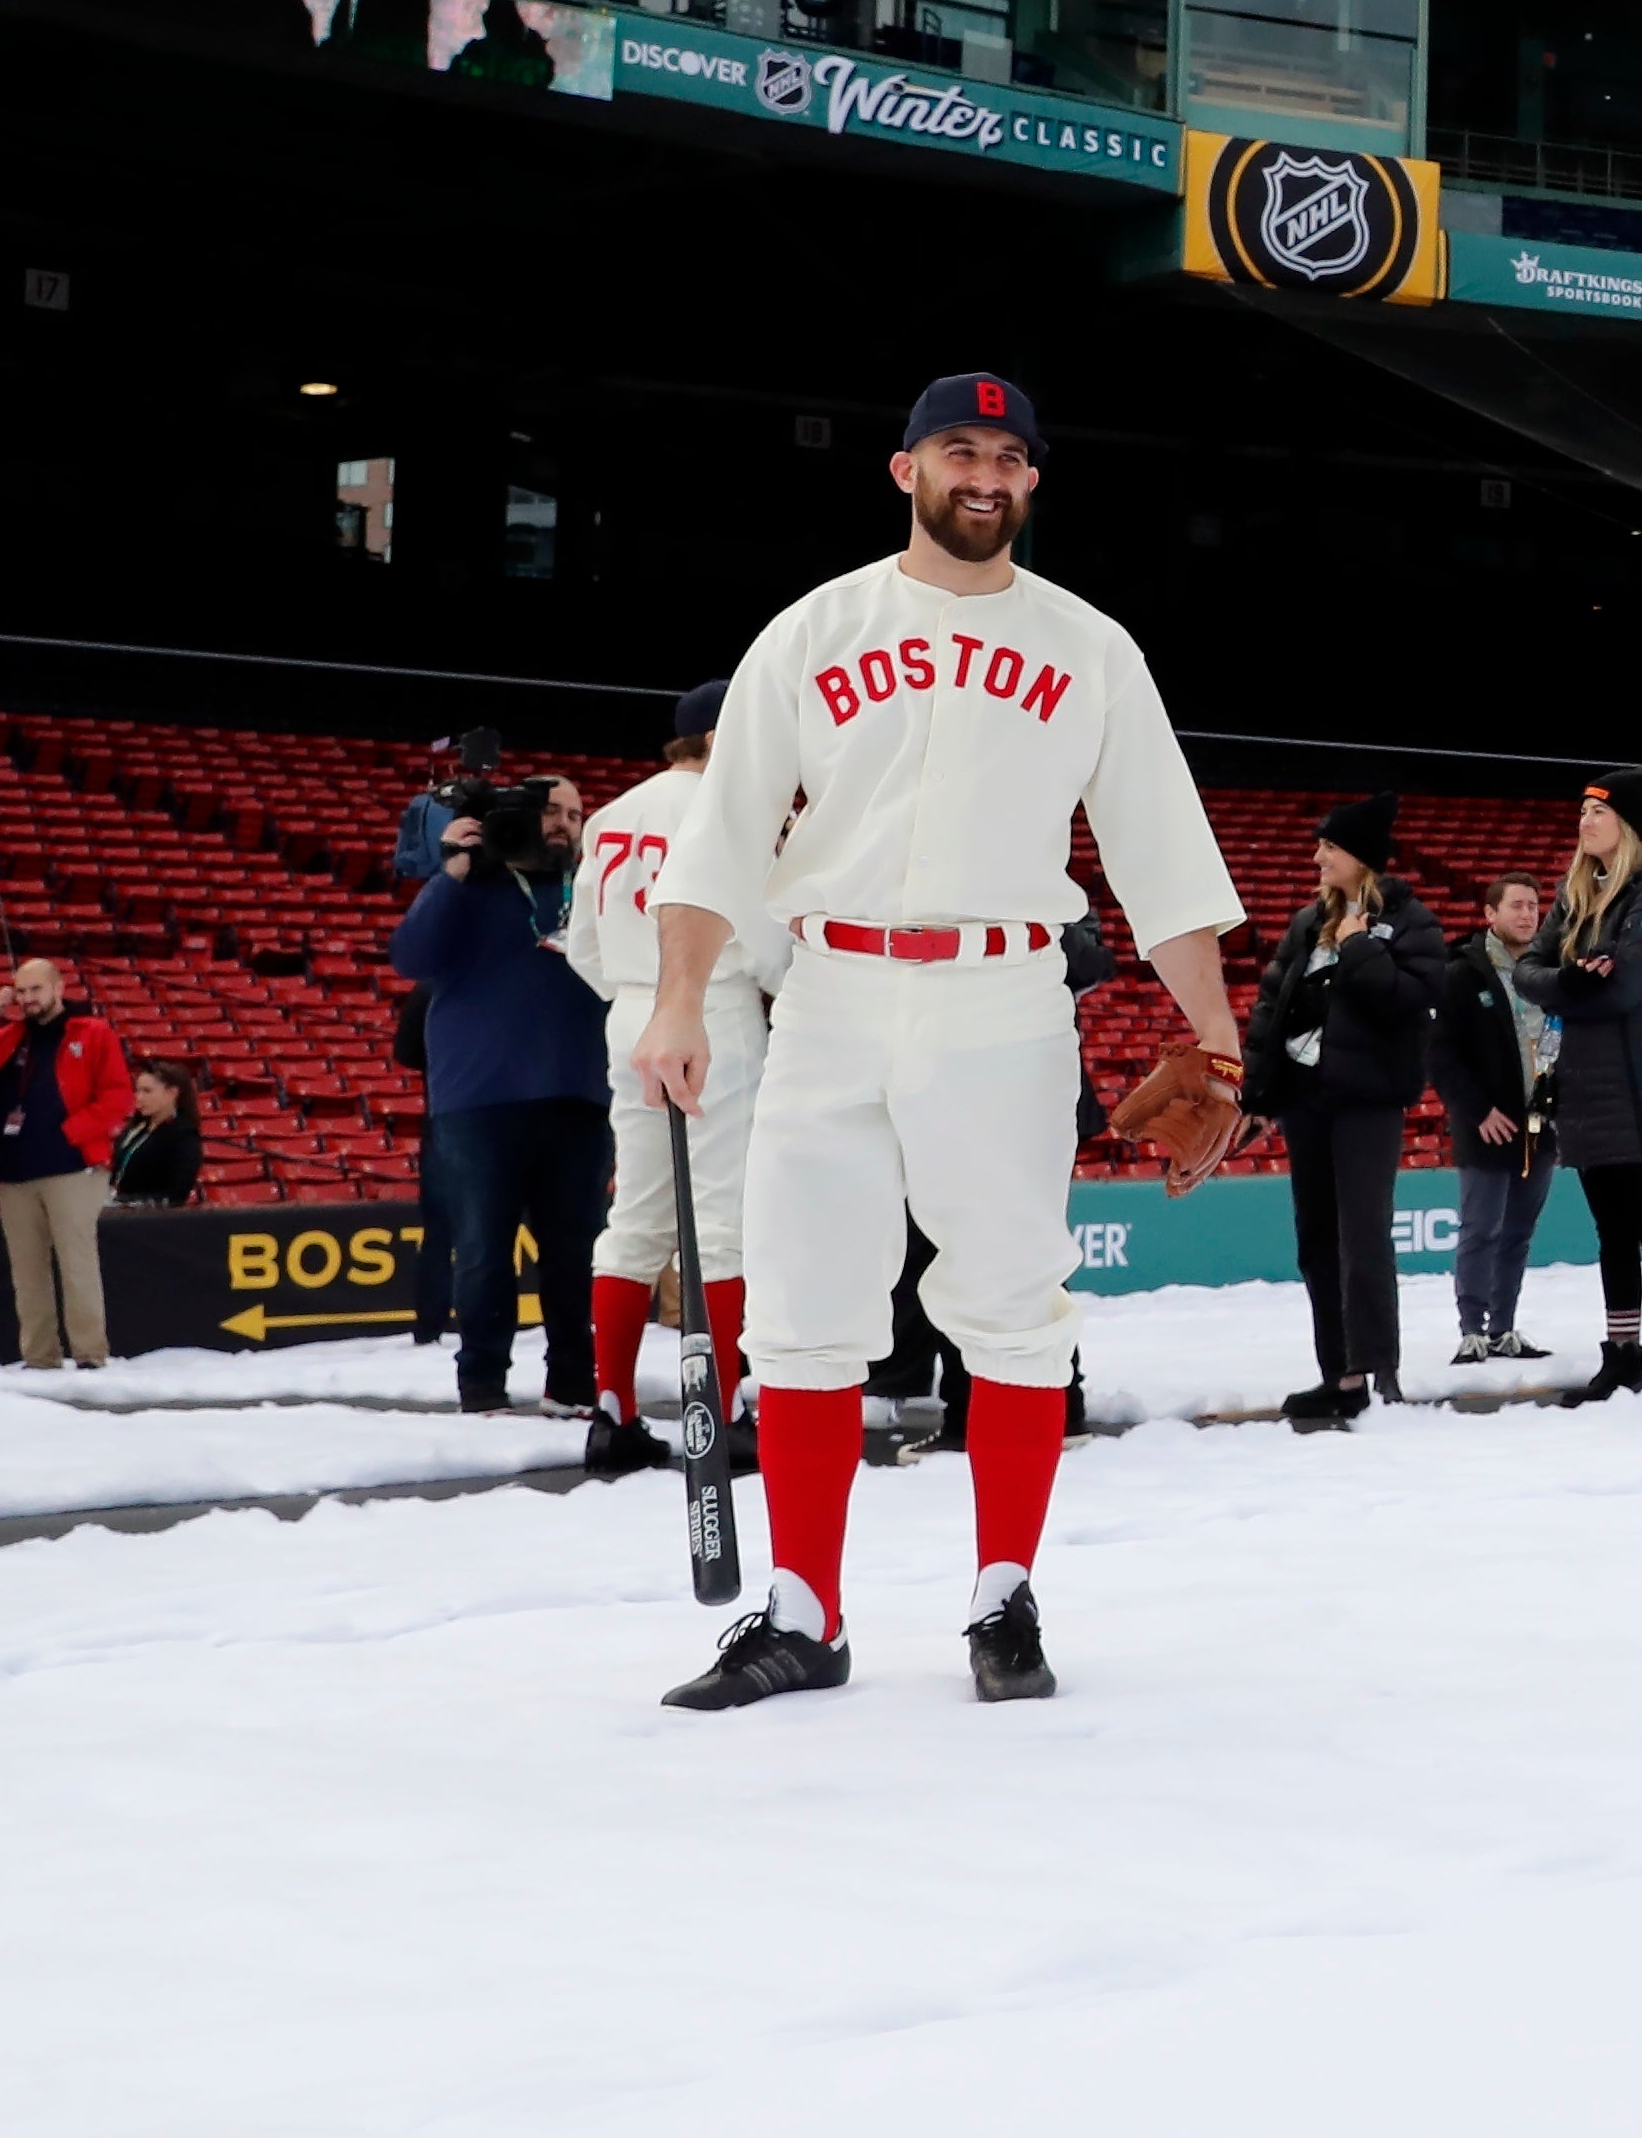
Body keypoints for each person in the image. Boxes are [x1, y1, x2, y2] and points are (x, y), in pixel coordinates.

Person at [636, 371, 1246, 1715]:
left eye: (1011, 456)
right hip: (831, 990)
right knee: (801, 1308)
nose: (986, 474)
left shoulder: (1091, 646)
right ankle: (802, 1612)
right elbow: (723, 832)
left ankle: (1004, 1595)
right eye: (959, 450)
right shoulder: (815, 629)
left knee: (1014, 1303)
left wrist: (1218, 1034)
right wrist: (679, 997)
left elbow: (1161, 852)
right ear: (904, 470)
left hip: (1003, 995)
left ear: (1033, 483)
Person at [564, 681, 770, 1475]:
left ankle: (611, 1411)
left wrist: (633, 995)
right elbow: (767, 943)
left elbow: (581, 945)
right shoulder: (728, 810)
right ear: (718, 741)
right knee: (719, 1223)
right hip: (715, 1010)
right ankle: (718, 1415)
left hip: (631, 1015)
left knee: (638, 1219)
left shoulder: (615, 813)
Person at [396, 776, 612, 1412]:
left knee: (575, 1253)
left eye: (575, 815)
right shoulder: (472, 887)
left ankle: (573, 1383)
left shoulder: (594, 889)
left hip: (579, 1093)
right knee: (485, 1251)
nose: (564, 824)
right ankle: (482, 1386)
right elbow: (409, 957)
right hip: (480, 1100)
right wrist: (452, 871)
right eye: (550, 811)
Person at [1251, 795, 1449, 1428]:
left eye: (1329, 848)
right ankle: (1336, 1374)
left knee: (1363, 1238)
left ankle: (1374, 1371)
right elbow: (1271, 1006)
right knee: (1317, 1240)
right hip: (1308, 1099)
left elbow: (1410, 1001)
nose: (1317, 857)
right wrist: (1258, 1092)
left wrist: (1361, 946)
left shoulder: (1411, 921)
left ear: (1358, 857)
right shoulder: (1308, 921)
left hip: (1368, 1101)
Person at [1528, 775, 1642, 1400]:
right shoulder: (1576, 893)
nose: (1584, 820)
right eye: (1581, 810)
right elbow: (1528, 969)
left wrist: (1567, 985)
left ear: (1625, 821)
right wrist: (1573, 980)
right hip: (1582, 1084)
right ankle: (1621, 1352)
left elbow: (1627, 988)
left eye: (1597, 811)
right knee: (1611, 1230)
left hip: (1639, 1083)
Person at [0, 959, 129, 1367]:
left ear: (58, 987)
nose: (29, 999)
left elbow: (118, 1097)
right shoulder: (9, 1035)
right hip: (15, 1172)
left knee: (76, 1266)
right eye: (21, 991)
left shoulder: (92, 1032)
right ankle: (40, 1359)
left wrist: (72, 1132)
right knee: (27, 1273)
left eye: (36, 990)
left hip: (72, 1169)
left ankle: (90, 1355)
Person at [1435, 872, 1557, 1366]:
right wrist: (1477, 1110)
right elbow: (1440, 1054)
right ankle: (1472, 1328)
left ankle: (1504, 1326)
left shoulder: (1548, 970)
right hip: (1486, 1123)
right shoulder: (1462, 973)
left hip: (1539, 1123)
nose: (1527, 914)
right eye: (1516, 906)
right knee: (1481, 1229)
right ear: (1489, 915)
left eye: (1533, 906)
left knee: (1519, 1232)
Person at [111, 1059, 203, 1208]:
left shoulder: (183, 1135)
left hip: (152, 1219)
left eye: (147, 1091)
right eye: (137, 1090)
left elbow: (177, 1194)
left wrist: (127, 1202)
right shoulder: (136, 1127)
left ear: (172, 1093)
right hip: (118, 1210)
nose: (139, 1097)